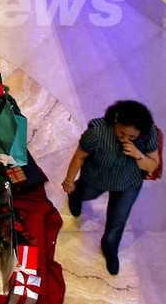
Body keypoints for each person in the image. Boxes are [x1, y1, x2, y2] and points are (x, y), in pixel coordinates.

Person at [61, 101, 160, 275]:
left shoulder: (149, 133)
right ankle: (75, 197)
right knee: (83, 192)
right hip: (96, 177)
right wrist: (69, 182)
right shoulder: (97, 132)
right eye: (122, 133)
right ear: (116, 119)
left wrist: (138, 155)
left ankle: (110, 246)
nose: (125, 139)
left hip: (128, 184)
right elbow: (79, 157)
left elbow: (152, 165)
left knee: (117, 220)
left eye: (132, 136)